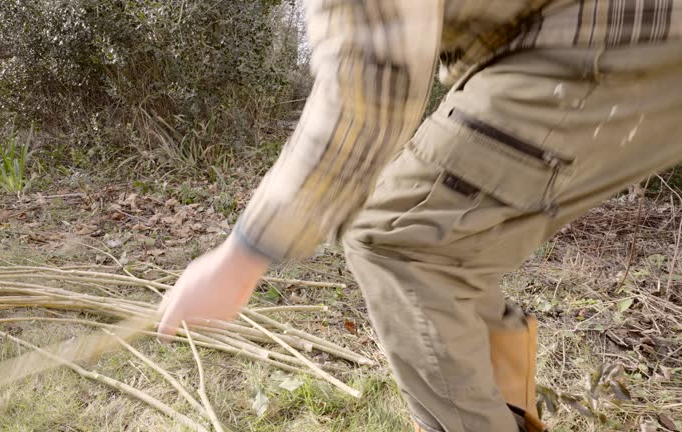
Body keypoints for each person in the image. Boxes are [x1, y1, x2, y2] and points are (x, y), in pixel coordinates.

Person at [157, 1, 682, 431]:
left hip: (607, 37)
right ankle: (507, 416)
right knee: (442, 238)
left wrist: (241, 257)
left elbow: (365, 96)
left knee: (395, 238)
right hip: (618, 36)